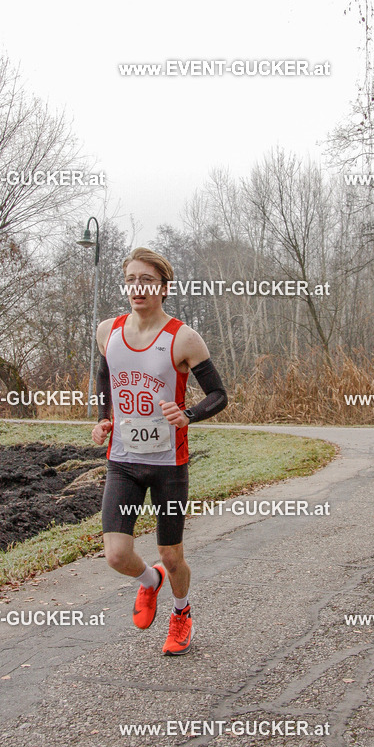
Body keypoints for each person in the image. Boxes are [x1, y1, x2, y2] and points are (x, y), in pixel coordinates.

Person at [91, 247, 228, 655]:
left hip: (169, 465)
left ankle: (181, 613)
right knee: (116, 555)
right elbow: (105, 375)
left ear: (164, 288)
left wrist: (187, 415)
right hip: (123, 463)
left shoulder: (183, 338)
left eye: (147, 280)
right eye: (132, 279)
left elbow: (219, 395)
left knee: (171, 554)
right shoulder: (108, 331)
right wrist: (103, 416)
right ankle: (149, 582)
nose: (138, 287)